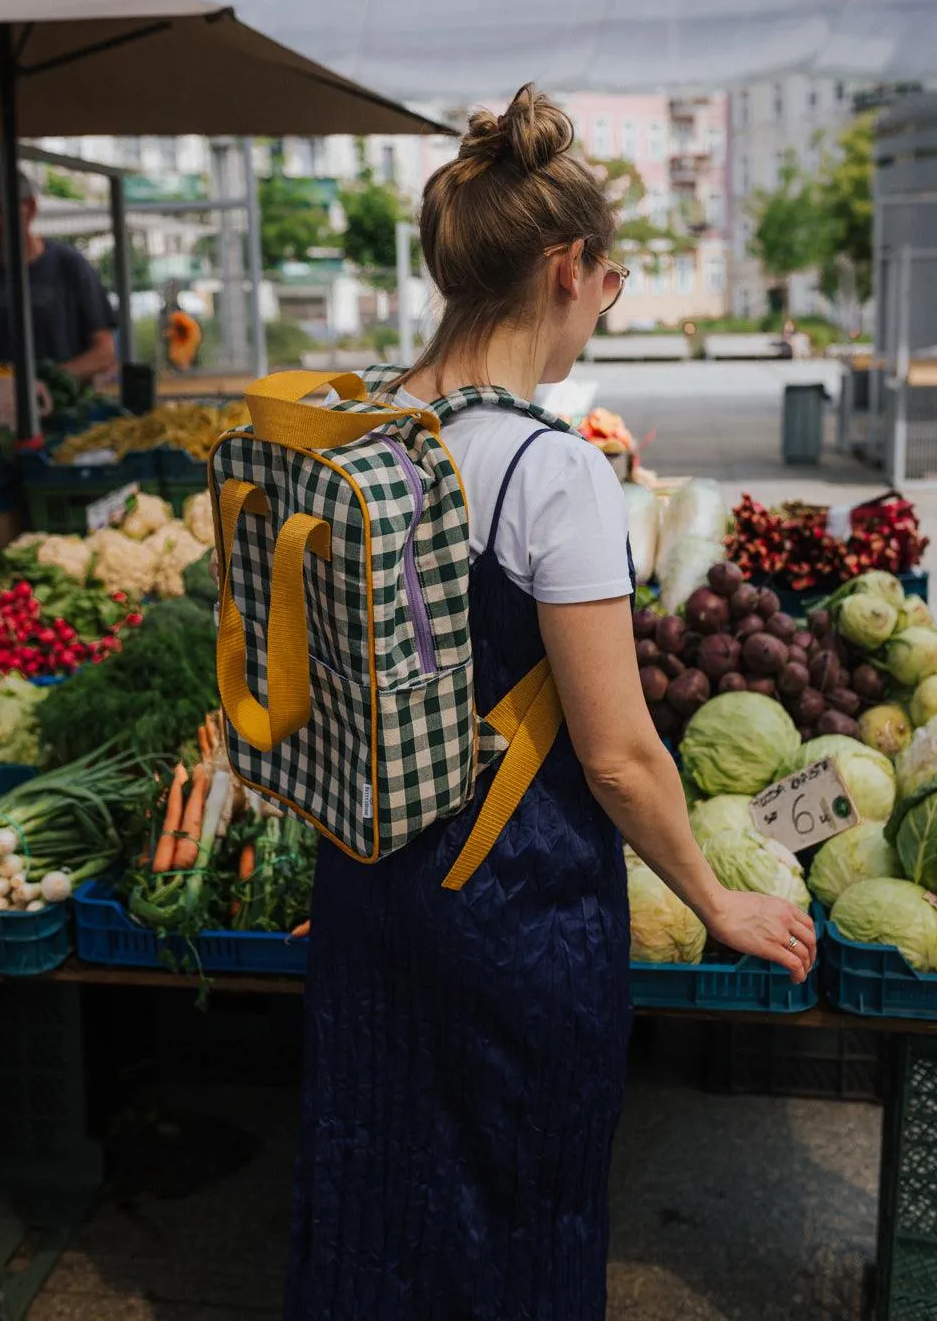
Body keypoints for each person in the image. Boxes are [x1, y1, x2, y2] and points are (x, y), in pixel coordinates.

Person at [284, 86, 816, 1321]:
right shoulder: (551, 470)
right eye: (612, 282)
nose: (603, 307)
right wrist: (713, 895)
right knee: (519, 1201)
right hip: (515, 914)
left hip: (369, 882)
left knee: (374, 1177)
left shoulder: (360, 427)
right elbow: (620, 756)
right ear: (567, 268)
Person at [0, 165, 117, 382]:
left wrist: (47, 380)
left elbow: (104, 352)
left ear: (31, 208)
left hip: (61, 407)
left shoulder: (70, 266)